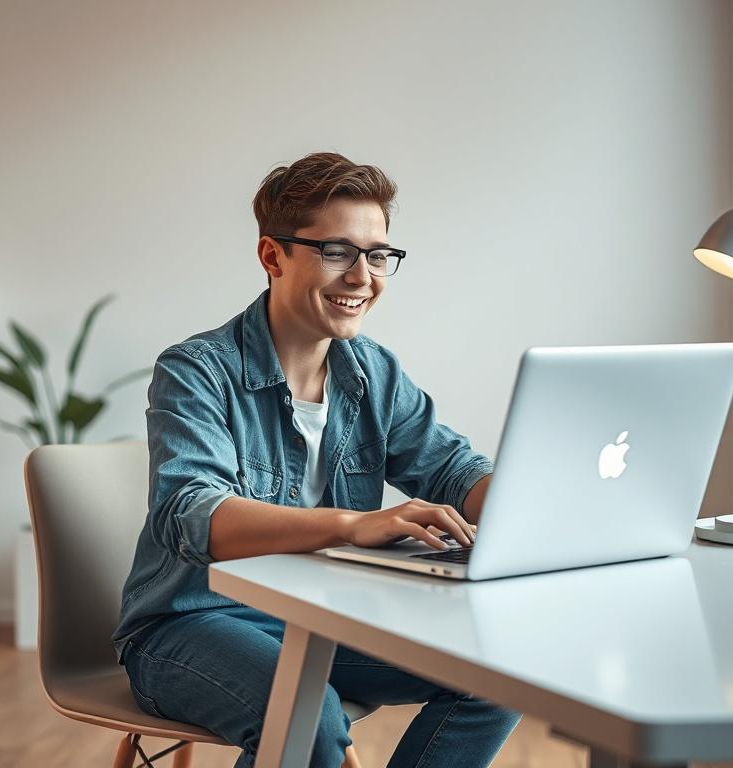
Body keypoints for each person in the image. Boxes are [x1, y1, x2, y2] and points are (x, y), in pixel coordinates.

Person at [113, 152, 521, 767]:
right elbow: (191, 514)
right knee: (308, 719)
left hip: (320, 621)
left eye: (378, 254)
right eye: (336, 251)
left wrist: (549, 501)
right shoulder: (197, 370)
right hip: (188, 625)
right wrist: (353, 524)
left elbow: (455, 471)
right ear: (273, 256)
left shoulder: (373, 372)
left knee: (500, 668)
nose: (363, 276)